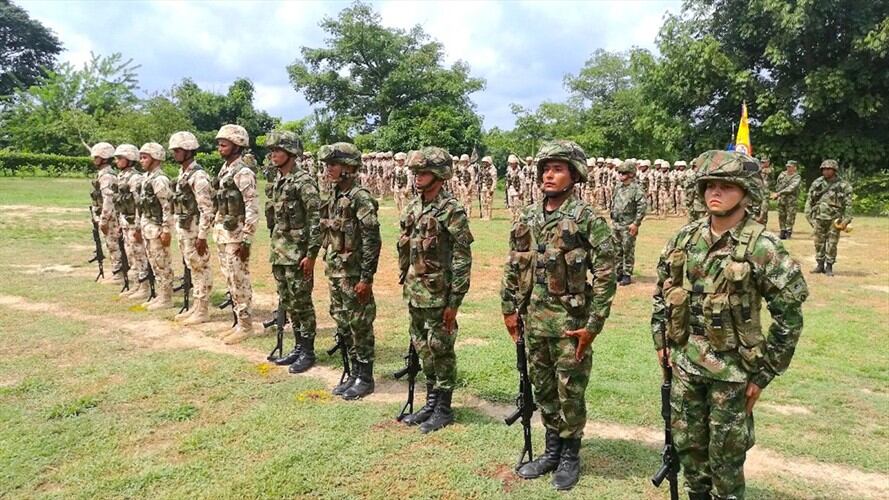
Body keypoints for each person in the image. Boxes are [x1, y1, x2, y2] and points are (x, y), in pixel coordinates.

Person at [651, 150, 808, 500]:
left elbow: (789, 315)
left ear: (746, 191)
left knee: (725, 458)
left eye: (725, 186)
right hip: (685, 366)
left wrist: (764, 373)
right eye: (709, 186)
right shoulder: (685, 239)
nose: (714, 193)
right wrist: (661, 342)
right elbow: (662, 293)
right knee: (690, 451)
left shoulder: (764, 247)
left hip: (734, 374)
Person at [500, 140, 617, 491]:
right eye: (545, 169)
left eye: (558, 169)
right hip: (534, 321)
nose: (549, 175)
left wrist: (592, 326)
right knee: (544, 388)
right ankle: (552, 450)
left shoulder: (587, 219)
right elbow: (512, 266)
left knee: (570, 390)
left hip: (571, 325)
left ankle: (570, 456)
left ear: (574, 174)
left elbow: (607, 275)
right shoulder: (527, 216)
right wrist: (509, 310)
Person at [397, 147, 473, 433]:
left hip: (439, 294)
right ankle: (431, 400)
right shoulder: (414, 206)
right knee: (422, 347)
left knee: (440, 348)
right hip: (415, 292)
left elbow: (462, 257)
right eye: (415, 171)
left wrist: (455, 301)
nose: (417, 176)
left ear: (440, 175)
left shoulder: (451, 210)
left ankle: (444, 407)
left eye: (424, 172)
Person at [318, 142, 382, 399]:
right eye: (327, 165)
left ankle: (365, 377)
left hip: (354, 274)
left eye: (333, 165)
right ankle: (353, 371)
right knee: (343, 322)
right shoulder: (335, 195)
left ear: (349, 167)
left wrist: (366, 278)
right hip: (336, 272)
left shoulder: (360, 197)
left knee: (360, 324)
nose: (328, 169)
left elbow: (371, 240)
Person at [264, 131, 322, 372]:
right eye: (272, 151)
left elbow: (315, 219)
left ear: (291, 153)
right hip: (280, 252)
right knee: (288, 302)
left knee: (302, 303)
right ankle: (298, 347)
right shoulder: (278, 181)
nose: (273, 155)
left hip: (298, 255)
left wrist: (311, 255)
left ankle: (308, 351)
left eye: (278, 150)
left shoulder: (303, 182)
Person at [213, 124, 260, 343]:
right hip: (224, 234)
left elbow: (252, 208)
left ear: (237, 145)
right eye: (219, 143)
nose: (220, 146)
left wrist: (247, 239)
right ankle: (238, 322)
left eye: (225, 143)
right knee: (230, 280)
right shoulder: (225, 170)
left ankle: (246, 325)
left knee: (239, 280)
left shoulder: (243, 173)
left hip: (237, 236)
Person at [169, 131, 215, 324]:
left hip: (195, 231)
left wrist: (202, 236)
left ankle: (202, 310)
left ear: (188, 151)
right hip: (185, 229)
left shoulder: (199, 177)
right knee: (192, 268)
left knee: (200, 268)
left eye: (178, 150)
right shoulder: (183, 174)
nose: (174, 153)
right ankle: (196, 307)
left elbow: (207, 209)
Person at [137, 142, 175, 310]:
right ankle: (161, 295)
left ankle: (166, 298)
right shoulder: (146, 178)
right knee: (154, 262)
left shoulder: (160, 180)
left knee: (162, 263)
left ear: (156, 159)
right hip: (148, 226)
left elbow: (167, 207)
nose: (141, 161)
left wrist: (166, 230)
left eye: (145, 157)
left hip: (158, 228)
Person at [113, 144, 149, 299]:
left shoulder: (135, 178)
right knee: (130, 254)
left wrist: (138, 226)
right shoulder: (121, 176)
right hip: (125, 221)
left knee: (140, 254)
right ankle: (136, 284)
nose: (117, 161)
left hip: (134, 222)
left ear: (129, 159)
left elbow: (138, 204)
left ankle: (145, 286)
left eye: (120, 158)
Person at [805, 159, 853, 276]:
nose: (825, 171)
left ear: (834, 170)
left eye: (828, 169)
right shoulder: (817, 183)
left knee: (832, 244)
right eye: (824, 169)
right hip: (819, 217)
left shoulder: (843, 185)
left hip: (834, 219)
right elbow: (809, 200)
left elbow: (848, 204)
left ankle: (829, 266)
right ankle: (820, 265)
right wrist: (808, 215)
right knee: (818, 243)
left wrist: (846, 220)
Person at [89, 142, 123, 283]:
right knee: (110, 244)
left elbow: (108, 200)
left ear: (103, 157)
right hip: (107, 215)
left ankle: (119, 273)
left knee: (114, 244)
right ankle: (116, 271)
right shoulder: (103, 174)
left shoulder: (107, 176)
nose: (93, 159)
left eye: (96, 157)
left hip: (111, 217)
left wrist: (103, 219)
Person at [611, 160, 647, 286]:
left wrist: (636, 223)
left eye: (623, 173)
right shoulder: (618, 187)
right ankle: (618, 272)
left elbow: (642, 207)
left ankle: (627, 274)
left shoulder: (637, 189)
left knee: (628, 249)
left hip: (628, 224)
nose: (620, 175)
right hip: (616, 224)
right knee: (616, 249)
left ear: (631, 174)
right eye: (619, 172)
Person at [772, 160, 802, 239]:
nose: (788, 168)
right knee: (781, 215)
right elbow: (778, 185)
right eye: (787, 166)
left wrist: (779, 193)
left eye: (790, 167)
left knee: (790, 216)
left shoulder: (797, 177)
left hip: (791, 200)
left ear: (795, 168)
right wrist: (777, 193)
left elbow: (791, 188)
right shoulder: (782, 174)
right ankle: (782, 231)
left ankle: (788, 232)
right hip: (781, 199)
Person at [479, 156, 497, 220]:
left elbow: (494, 180)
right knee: (483, 201)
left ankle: (489, 216)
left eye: (485, 162)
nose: (484, 164)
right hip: (483, 187)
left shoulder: (493, 169)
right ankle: (484, 215)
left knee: (489, 201)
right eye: (483, 162)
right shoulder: (483, 169)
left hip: (489, 187)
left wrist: (492, 189)